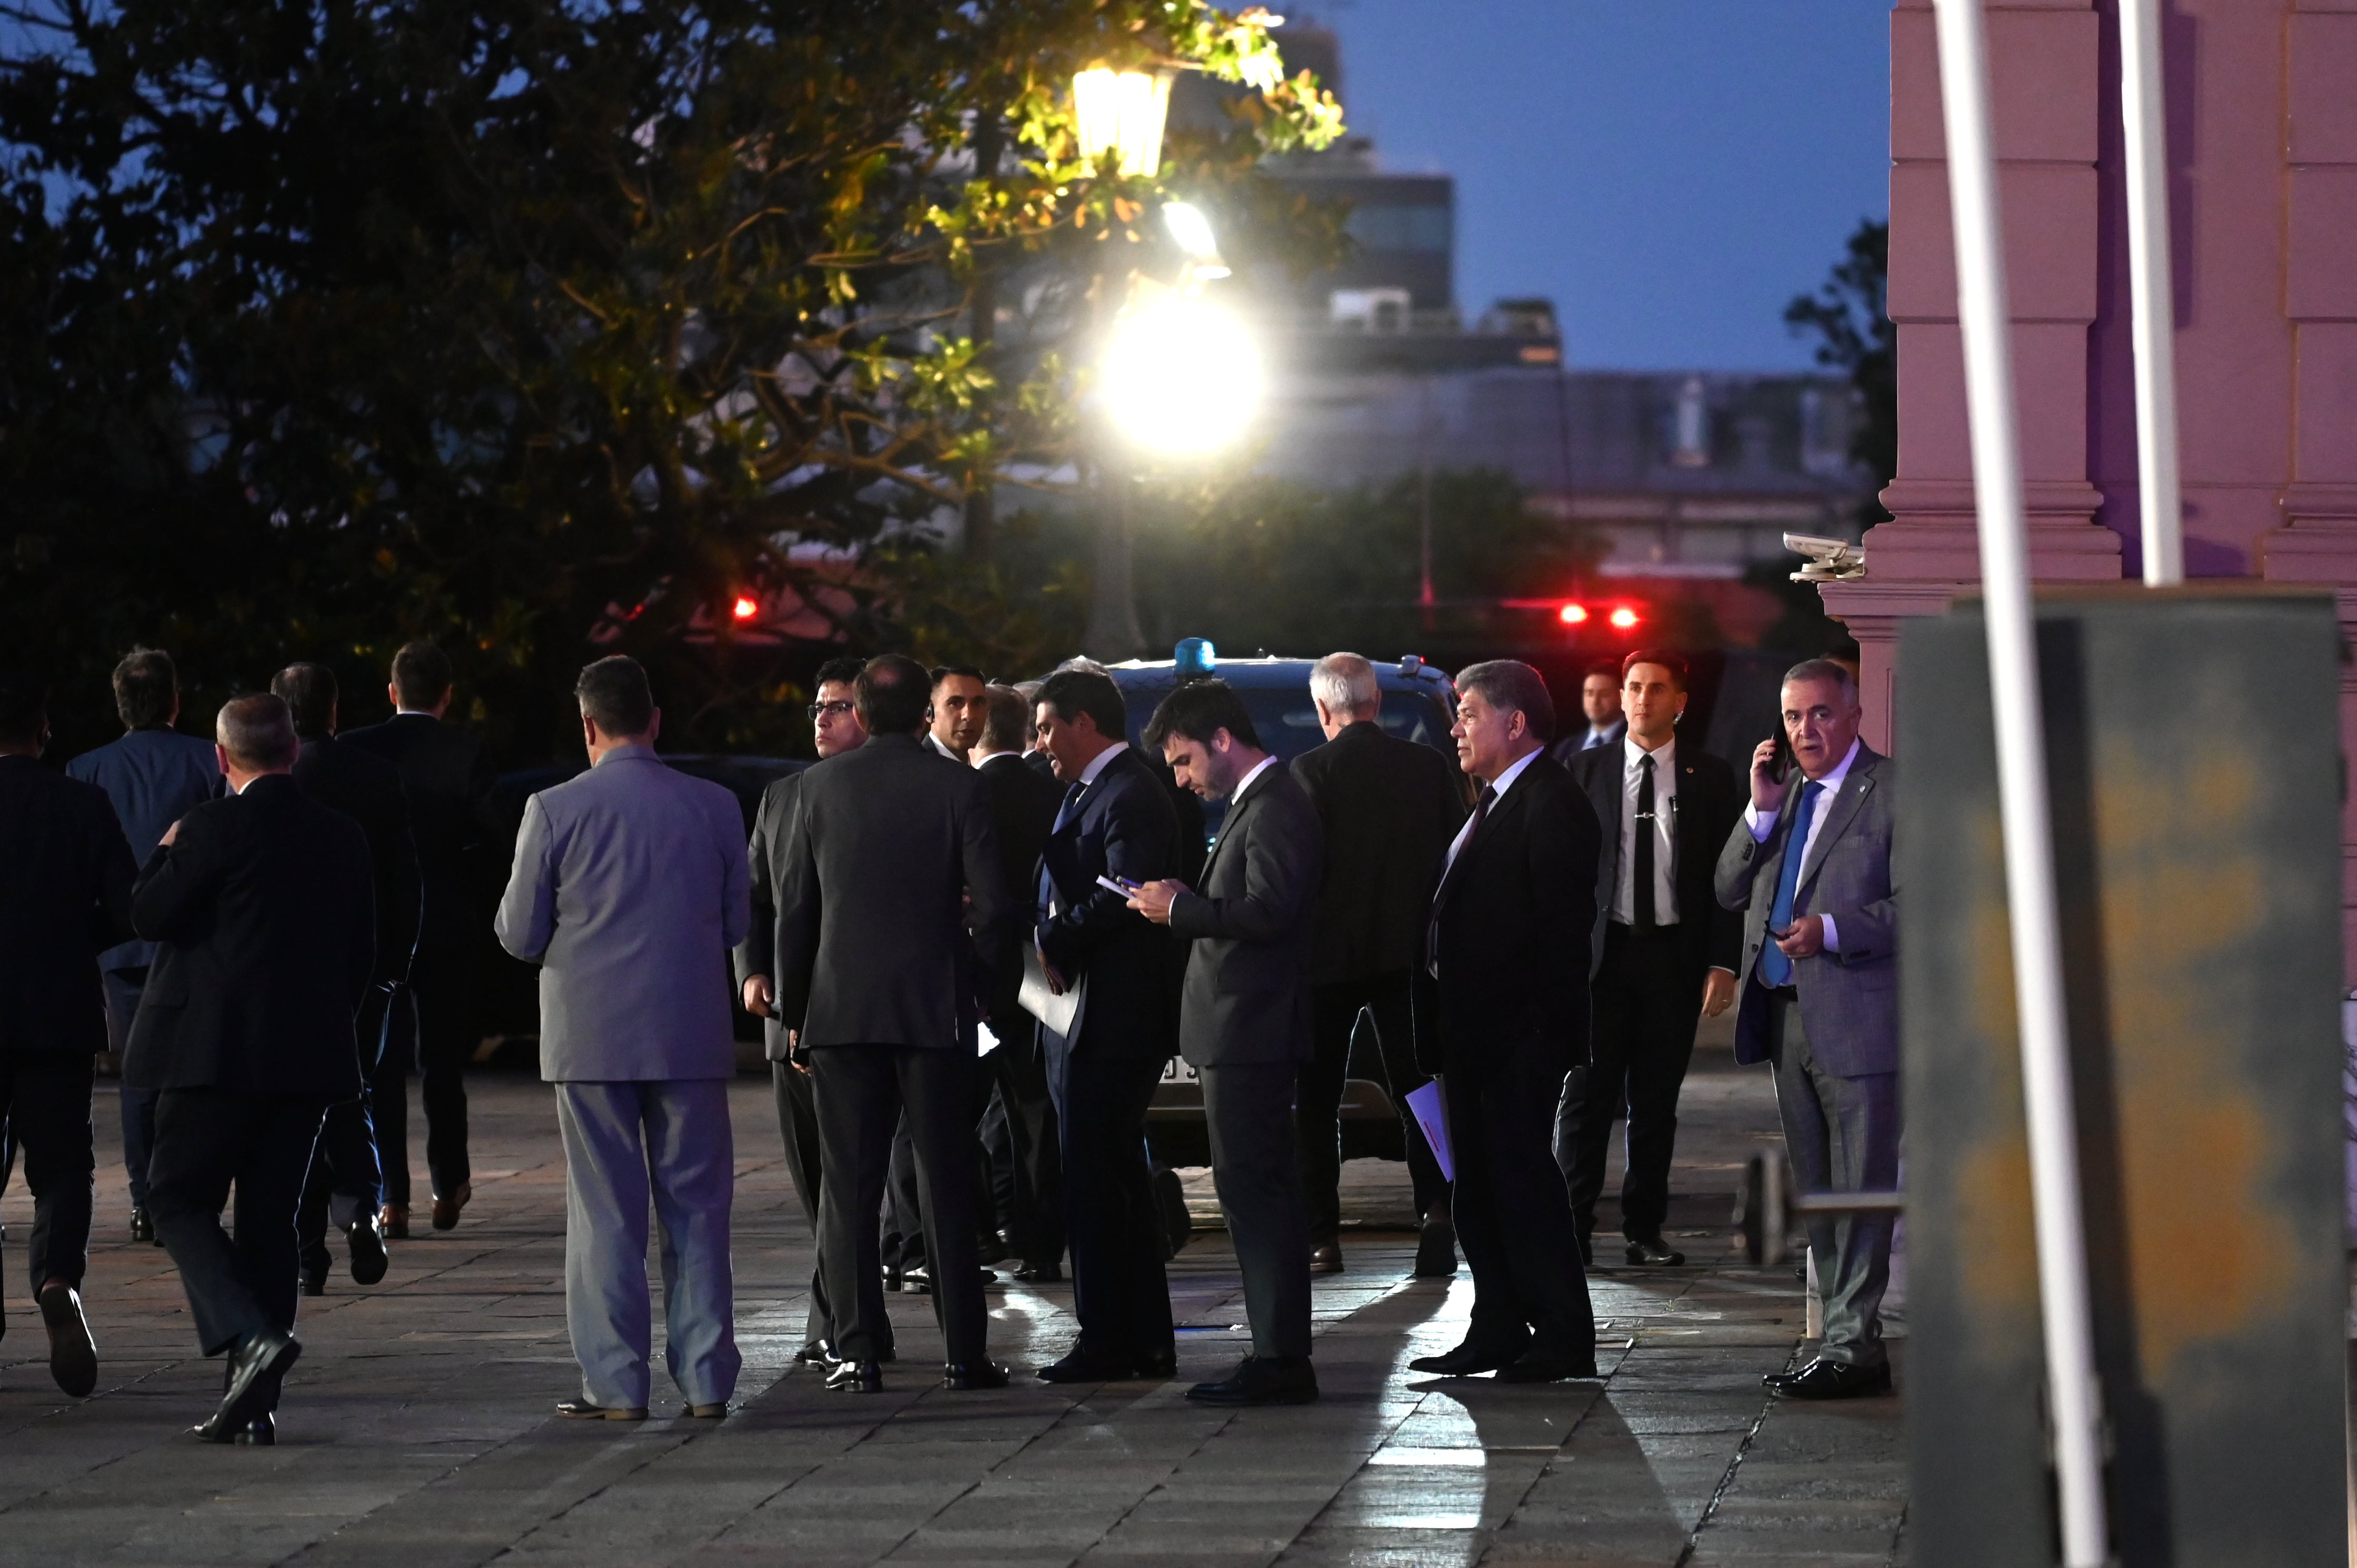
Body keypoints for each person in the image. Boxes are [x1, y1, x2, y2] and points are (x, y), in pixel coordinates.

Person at [495, 656, 750, 1420]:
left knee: (605, 1209)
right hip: (691, 1033)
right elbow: (738, 922)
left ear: (587, 725)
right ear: (655, 718)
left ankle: (615, 1384)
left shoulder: (553, 807)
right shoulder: (715, 805)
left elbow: (517, 931)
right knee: (698, 1206)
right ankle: (706, 1379)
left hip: (590, 1036)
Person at [129, 695, 375, 1444]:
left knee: (175, 1197)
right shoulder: (340, 834)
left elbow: (148, 915)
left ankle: (246, 1335)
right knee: (270, 1219)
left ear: (221, 756)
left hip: (212, 1054)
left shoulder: (210, 827)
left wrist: (166, 851)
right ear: (293, 750)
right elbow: (359, 952)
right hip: (305, 1058)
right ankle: (257, 1401)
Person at [773, 654, 1014, 1395]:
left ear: (861, 714)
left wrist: (794, 1015)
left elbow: (796, 911)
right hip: (932, 1011)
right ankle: (965, 1352)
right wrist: (982, 990)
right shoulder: (958, 786)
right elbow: (1001, 907)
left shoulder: (814, 788)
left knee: (849, 1186)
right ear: (923, 716)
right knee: (943, 1177)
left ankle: (857, 1350)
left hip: (841, 1013)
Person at [1131, 679, 1323, 1407]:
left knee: (1255, 1191)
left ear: (1220, 739)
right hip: (1242, 1027)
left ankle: (1280, 1355)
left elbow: (1270, 909)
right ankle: (1276, 1349)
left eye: (1183, 761)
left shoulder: (1274, 801)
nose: (1182, 779)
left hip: (1253, 1028)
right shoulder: (1261, 801)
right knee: (1251, 1188)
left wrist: (1182, 907)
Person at [1409, 660, 1602, 1384]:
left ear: (1514, 722)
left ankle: (1561, 1332)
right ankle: (1495, 1323)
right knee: (1479, 1190)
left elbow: (1558, 936)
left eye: (1468, 712)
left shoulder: (1551, 803)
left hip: (1515, 1036)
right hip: (1470, 1035)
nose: (1455, 726)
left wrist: (1538, 1040)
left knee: (1523, 1185)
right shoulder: (1489, 801)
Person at [1715, 658, 1897, 1401]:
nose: (1804, 730)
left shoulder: (1893, 791)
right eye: (1792, 717)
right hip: (1785, 1017)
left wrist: (1832, 927)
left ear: (1854, 715)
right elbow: (1727, 886)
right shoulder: (1782, 795)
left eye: (1820, 713)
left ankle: (1854, 1347)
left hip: (1859, 1019)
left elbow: (1926, 901)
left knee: (1860, 1187)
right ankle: (1844, 1339)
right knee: (1821, 1189)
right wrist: (1758, 811)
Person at [1558, 651, 1742, 1267]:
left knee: (1655, 1102)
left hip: (1671, 959)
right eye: (1634, 687)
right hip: (1599, 959)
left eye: (1656, 689)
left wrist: (1722, 962)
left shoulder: (1711, 778)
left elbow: (1725, 880)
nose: (1640, 699)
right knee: (1584, 1099)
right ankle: (1571, 1228)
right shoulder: (1582, 770)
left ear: (1679, 702)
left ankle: (1644, 1228)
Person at [1029, 668, 1182, 1383]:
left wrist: (1052, 943)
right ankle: (1139, 1334)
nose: (1039, 742)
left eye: (1047, 725)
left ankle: (1111, 1336)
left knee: (1098, 1178)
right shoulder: (1091, 789)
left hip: (1111, 1016)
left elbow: (1123, 890)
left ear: (1084, 721)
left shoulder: (1131, 789)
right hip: (1078, 1012)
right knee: (1108, 1175)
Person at [1289, 653, 1464, 1279]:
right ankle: (1438, 1211)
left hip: (1324, 962)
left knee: (1313, 1099)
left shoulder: (1307, 772)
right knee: (1419, 1090)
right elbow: (1456, 859)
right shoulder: (1426, 767)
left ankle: (1319, 1235)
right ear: (1376, 703)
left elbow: (1297, 870)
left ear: (1321, 709)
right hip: (1408, 956)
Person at [0, 671, 135, 1398]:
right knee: (61, 1163)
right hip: (56, 1007)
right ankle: (57, 1276)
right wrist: (77, 935)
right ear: (42, 728)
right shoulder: (81, 804)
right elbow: (129, 904)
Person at [735, 655, 868, 1367]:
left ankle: (844, 1320)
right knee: (815, 1179)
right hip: (787, 1011)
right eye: (817, 706)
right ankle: (842, 1315)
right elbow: (753, 896)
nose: (822, 718)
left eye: (838, 706)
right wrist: (750, 967)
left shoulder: (883, 793)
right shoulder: (781, 796)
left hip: (854, 1013)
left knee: (854, 1181)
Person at [65, 648, 222, 1244]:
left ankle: (144, 1199)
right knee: (196, 1076)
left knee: (139, 1076)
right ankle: (184, 1192)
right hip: (194, 941)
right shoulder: (206, 761)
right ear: (175, 701)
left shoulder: (88, 768)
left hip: (122, 951)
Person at [272, 664, 417, 1296]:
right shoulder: (376, 777)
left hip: (284, 969)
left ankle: (307, 1251)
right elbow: (404, 880)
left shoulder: (274, 782)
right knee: (349, 1087)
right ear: (334, 711)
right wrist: (395, 968)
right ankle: (360, 1203)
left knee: (294, 1102)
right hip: (364, 966)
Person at [343, 640, 493, 1236]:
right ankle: (448, 1181)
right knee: (442, 1061)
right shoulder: (467, 752)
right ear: (448, 694)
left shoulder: (359, 749)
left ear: (391, 691)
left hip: (380, 921)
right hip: (446, 920)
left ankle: (391, 1197)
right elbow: (490, 839)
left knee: (380, 1064)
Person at [970, 684, 1066, 1283]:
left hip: (979, 982)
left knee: (961, 1112)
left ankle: (980, 1230)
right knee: (1037, 1112)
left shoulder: (964, 794)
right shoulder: (1055, 793)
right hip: (1042, 975)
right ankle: (1042, 1243)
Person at [1549, 662, 1626, 763]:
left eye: (1604, 694)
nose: (1595, 701)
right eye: (1589, 693)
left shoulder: (1634, 742)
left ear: (1622, 696)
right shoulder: (1566, 748)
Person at [926, 664, 988, 763]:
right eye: (955, 703)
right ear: (928, 711)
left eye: (978, 703)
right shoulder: (914, 770)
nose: (968, 716)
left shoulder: (980, 774)